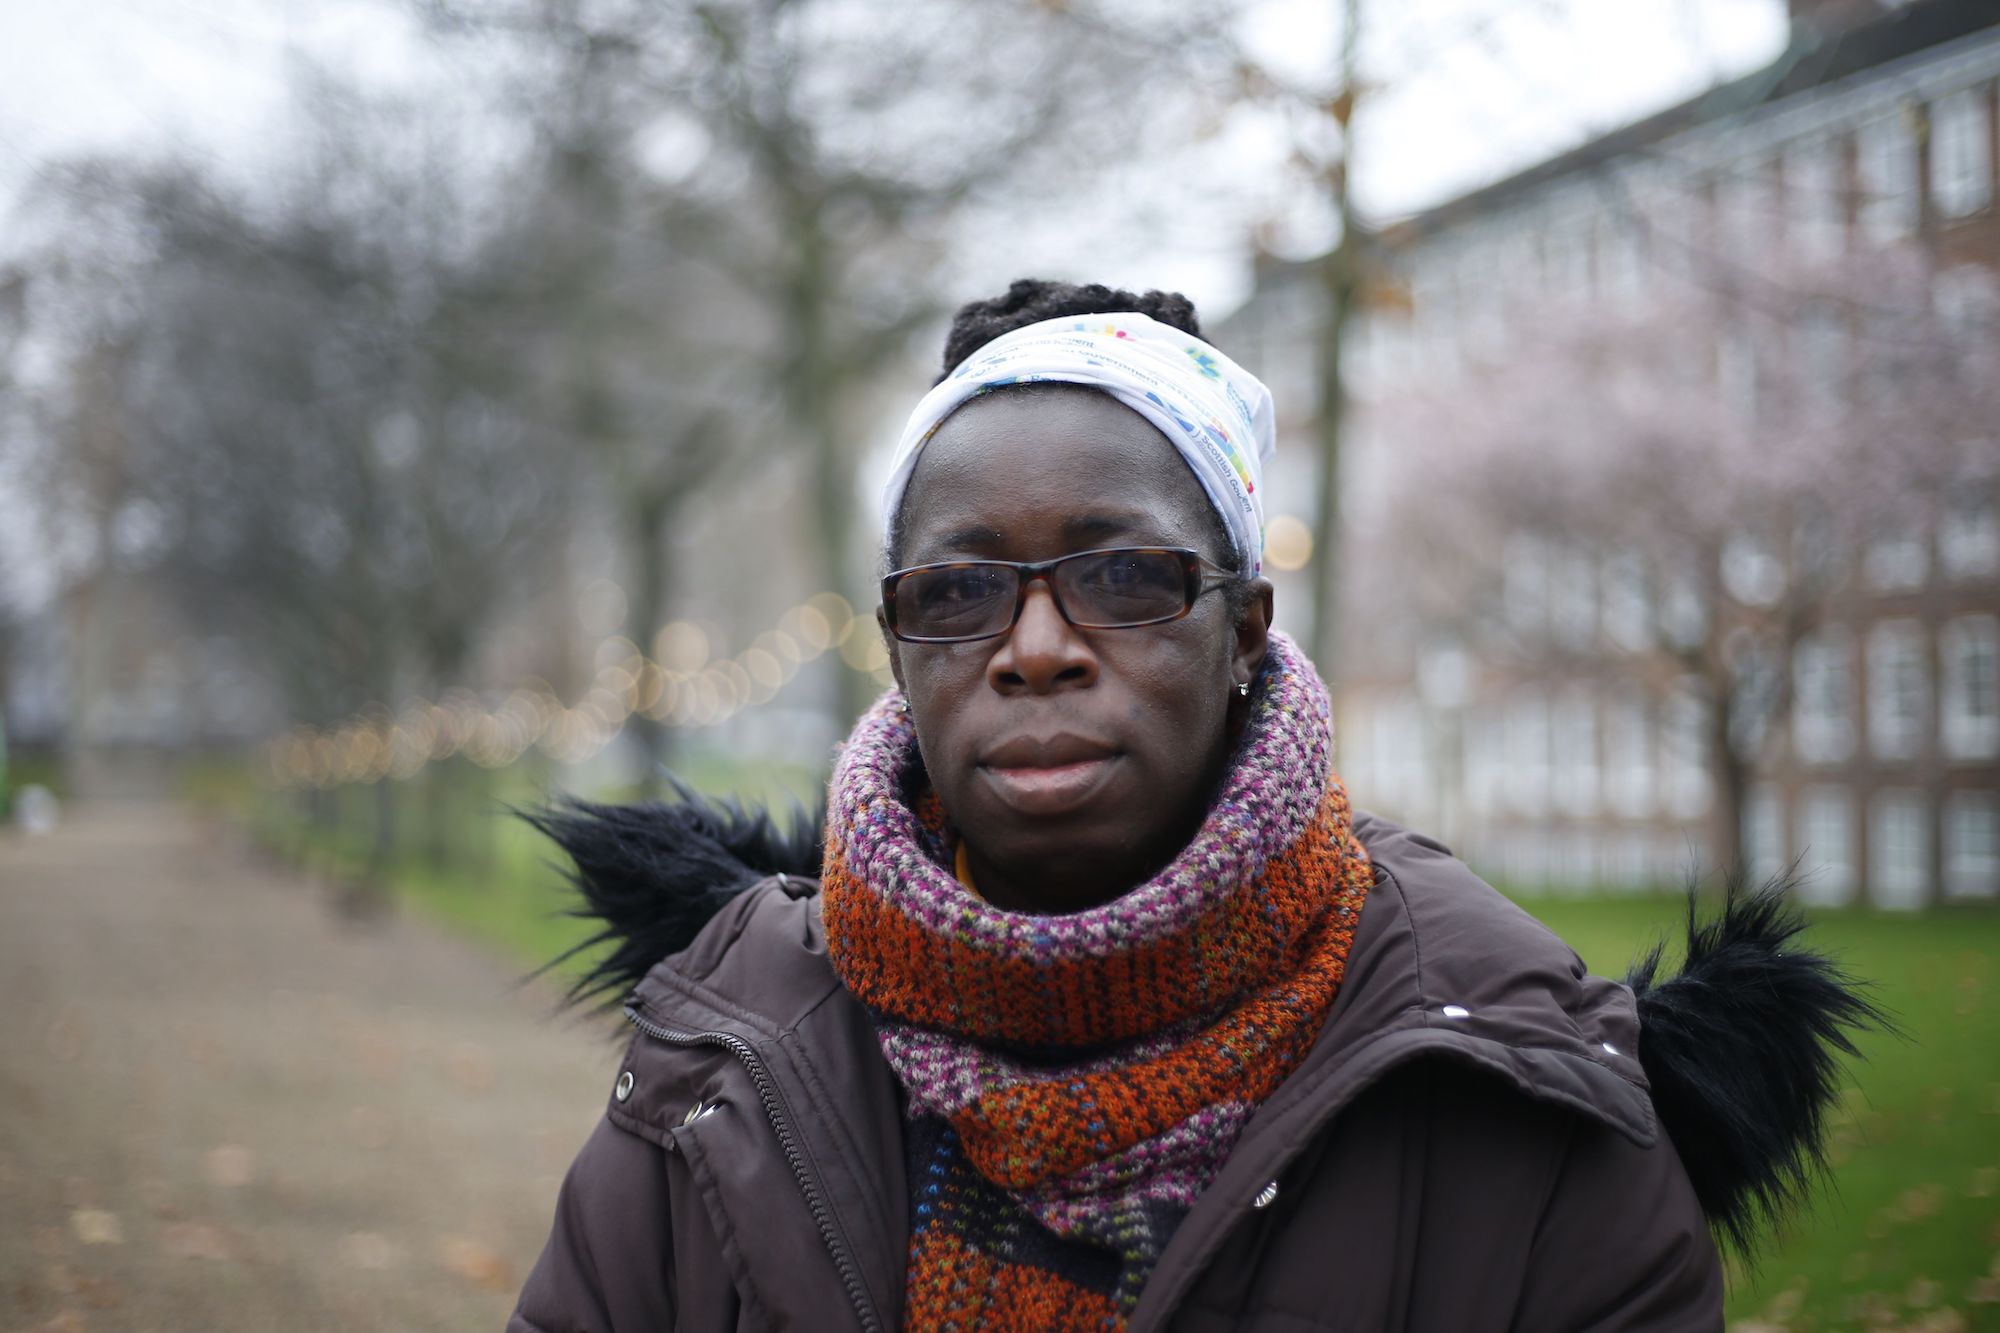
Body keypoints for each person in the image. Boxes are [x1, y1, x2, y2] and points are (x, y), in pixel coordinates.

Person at [508, 280, 1878, 1333]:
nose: (1034, 644)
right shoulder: (723, 1049)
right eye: (958, 589)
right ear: (898, 645)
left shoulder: (1513, 1079)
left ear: (1244, 630)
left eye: (1122, 576)